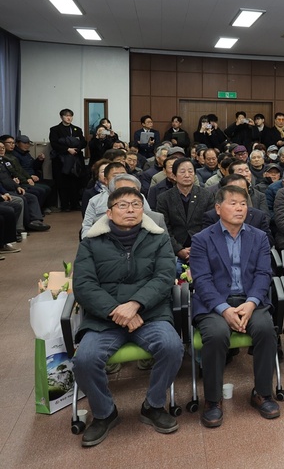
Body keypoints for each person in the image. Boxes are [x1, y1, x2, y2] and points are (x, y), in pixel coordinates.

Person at [72, 187, 182, 446]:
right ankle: (104, 413)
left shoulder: (158, 238)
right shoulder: (90, 243)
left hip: (149, 314)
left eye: (136, 204)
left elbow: (164, 277)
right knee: (84, 361)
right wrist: (116, 310)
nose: (130, 209)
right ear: (109, 212)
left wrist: (135, 305)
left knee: (172, 347)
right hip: (104, 319)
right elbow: (84, 285)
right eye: (123, 205)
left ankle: (153, 405)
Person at [190, 185, 280, 427]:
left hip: (250, 300)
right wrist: (224, 309)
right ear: (218, 208)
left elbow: (263, 274)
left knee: (266, 329)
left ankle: (262, 393)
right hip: (214, 303)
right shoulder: (201, 239)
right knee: (217, 334)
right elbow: (201, 280)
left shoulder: (258, 237)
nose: (240, 208)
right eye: (233, 203)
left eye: (243, 203)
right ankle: (213, 400)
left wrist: (251, 303)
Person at [155, 158, 215, 263]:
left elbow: (210, 225)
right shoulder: (164, 198)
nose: (187, 175)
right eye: (182, 172)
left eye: (190, 171)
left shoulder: (206, 195)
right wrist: (178, 250)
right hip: (173, 249)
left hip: (202, 247)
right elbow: (164, 228)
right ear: (174, 176)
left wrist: (197, 248)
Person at [49, 108, 87, 212]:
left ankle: (75, 204)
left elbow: (83, 142)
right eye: (66, 116)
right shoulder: (55, 129)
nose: (68, 118)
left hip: (76, 158)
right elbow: (54, 144)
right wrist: (67, 149)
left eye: (70, 116)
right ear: (61, 117)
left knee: (75, 182)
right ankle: (65, 205)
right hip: (61, 160)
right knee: (62, 183)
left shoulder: (77, 129)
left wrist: (76, 148)